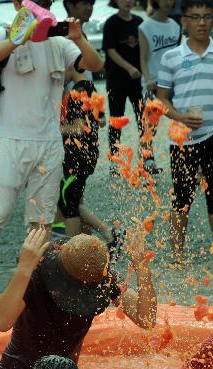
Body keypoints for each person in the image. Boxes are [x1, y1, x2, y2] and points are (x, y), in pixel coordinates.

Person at [0, 0, 103, 306]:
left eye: (45, 0)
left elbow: (94, 65)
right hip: (11, 139)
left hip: (49, 141)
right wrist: (17, 38)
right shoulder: (2, 30)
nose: (41, 3)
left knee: (40, 220)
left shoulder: (58, 42)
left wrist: (78, 37)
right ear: (17, 2)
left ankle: (31, 281)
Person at [0, 229, 156, 369]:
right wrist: (23, 270)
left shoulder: (101, 278)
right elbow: (1, 322)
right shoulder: (38, 272)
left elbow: (146, 319)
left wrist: (142, 267)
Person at [157, 0, 213, 260]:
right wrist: (179, 117)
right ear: (184, 20)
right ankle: (177, 253)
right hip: (182, 136)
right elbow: (161, 98)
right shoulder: (171, 56)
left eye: (207, 17)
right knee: (181, 195)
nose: (201, 23)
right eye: (195, 17)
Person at [58, 71, 117, 242]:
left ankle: (104, 235)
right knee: (74, 200)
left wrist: (49, 128)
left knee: (70, 203)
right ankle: (88, 243)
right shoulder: (90, 86)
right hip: (86, 153)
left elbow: (78, 128)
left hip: (77, 157)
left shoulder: (80, 90)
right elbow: (101, 120)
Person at [103, 0, 150, 168]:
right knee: (116, 118)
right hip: (117, 79)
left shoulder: (139, 22)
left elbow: (145, 49)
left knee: (143, 119)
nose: (128, 1)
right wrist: (129, 68)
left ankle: (147, 156)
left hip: (138, 81)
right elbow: (110, 50)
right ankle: (114, 158)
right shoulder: (111, 23)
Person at [140, 0, 181, 97]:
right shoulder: (145, 27)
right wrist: (148, 79)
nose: (167, 2)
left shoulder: (175, 26)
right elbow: (144, 58)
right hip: (153, 83)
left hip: (172, 82)